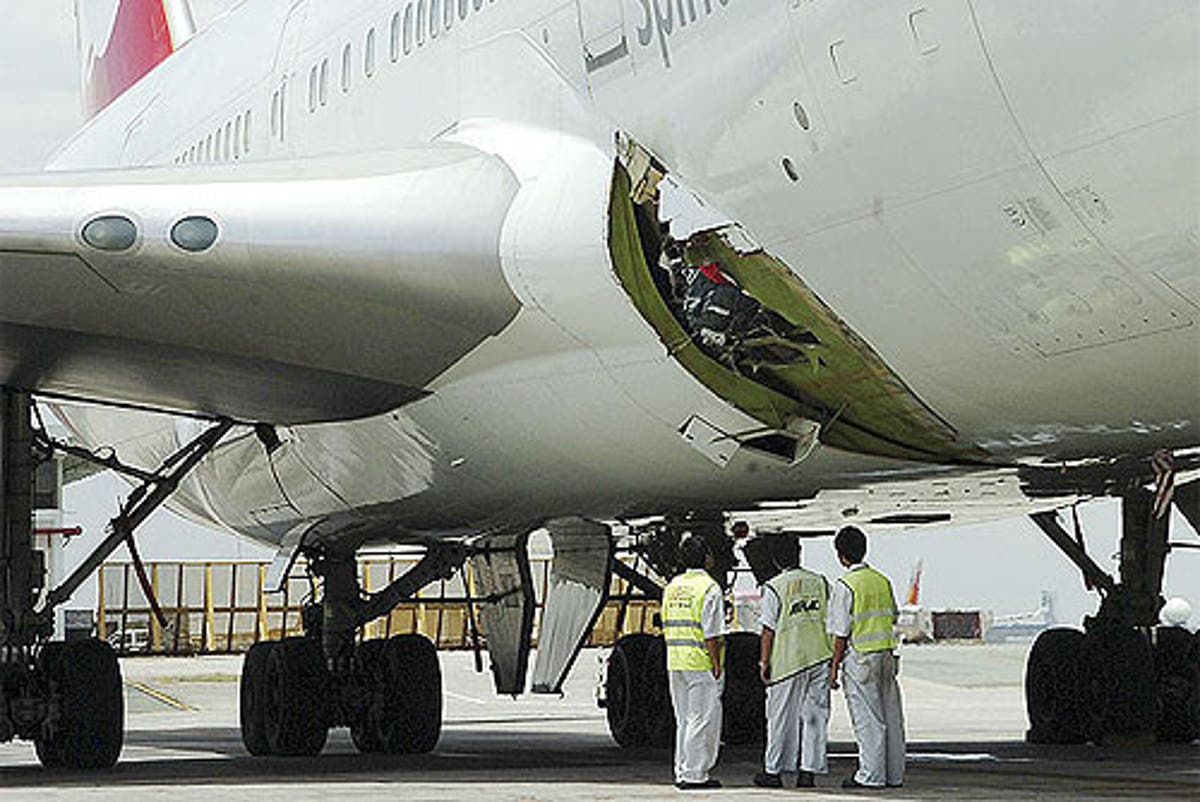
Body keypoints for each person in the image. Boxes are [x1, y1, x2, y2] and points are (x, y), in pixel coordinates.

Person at [827, 526, 906, 790]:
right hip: (886, 654)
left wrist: (834, 668)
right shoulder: (882, 580)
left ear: (841, 556)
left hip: (860, 657)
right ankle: (894, 774)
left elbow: (840, 632)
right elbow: (893, 615)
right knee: (892, 717)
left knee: (868, 720)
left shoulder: (845, 585)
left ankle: (871, 775)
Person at [753, 536, 833, 789]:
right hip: (820, 656)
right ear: (799, 554)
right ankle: (808, 772)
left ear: (775, 559)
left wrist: (763, 662)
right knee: (814, 718)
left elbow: (768, 630)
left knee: (779, 718)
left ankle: (773, 771)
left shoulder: (774, 587)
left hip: (788, 662)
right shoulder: (821, 582)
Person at [663, 535, 726, 790]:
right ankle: (695, 774)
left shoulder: (672, 586)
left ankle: (681, 769)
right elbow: (712, 633)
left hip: (675, 660)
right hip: (699, 662)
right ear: (706, 558)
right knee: (701, 720)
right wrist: (716, 663)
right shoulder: (709, 588)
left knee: (684, 720)